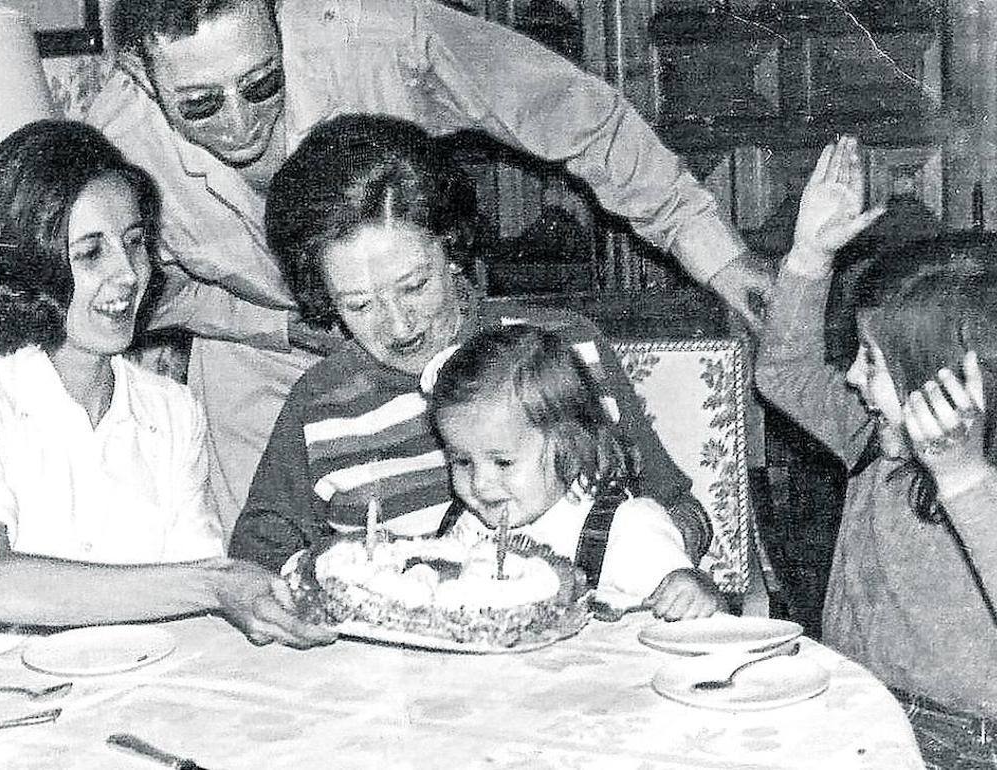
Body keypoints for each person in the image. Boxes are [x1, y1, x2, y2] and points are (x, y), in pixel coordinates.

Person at [87, 0, 770, 533]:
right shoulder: (110, 143)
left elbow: (573, 114)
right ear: (140, 78)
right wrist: (265, 325)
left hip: (446, 342)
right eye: (200, 105)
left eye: (262, 84)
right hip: (258, 370)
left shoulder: (383, 38)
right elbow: (134, 290)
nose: (240, 124)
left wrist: (717, 252)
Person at [0, 119, 334, 669]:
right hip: (9, 719)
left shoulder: (171, 410)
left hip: (142, 700)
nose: (128, 273)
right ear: (30, 264)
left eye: (133, 243)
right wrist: (214, 584)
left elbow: (195, 600)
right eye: (90, 253)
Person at [229, 114, 713, 578]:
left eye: (415, 286)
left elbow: (681, 508)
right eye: (359, 305)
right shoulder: (320, 403)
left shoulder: (561, 348)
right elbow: (258, 558)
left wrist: (648, 560)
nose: (398, 327)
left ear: (452, 247)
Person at [756, 135, 997, 764]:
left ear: (942, 374)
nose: (853, 377)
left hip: (961, 741)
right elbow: (783, 373)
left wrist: (963, 476)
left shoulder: (981, 481)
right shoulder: (877, 441)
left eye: (873, 361)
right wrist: (809, 255)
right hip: (853, 702)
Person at [429, 323, 723, 620]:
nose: (480, 483)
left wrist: (692, 591)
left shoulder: (627, 528)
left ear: (570, 448)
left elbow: (694, 603)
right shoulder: (469, 525)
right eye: (462, 461)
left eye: (503, 462)